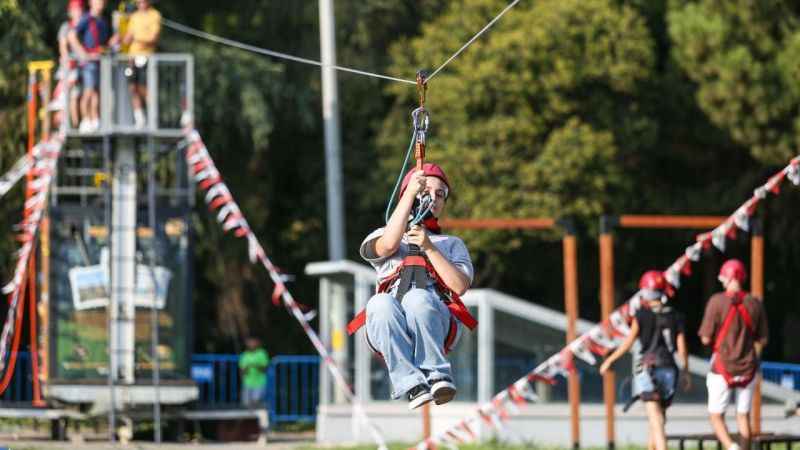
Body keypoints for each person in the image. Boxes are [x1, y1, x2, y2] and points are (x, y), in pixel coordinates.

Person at [350, 163, 476, 410]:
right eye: (426, 190)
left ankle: (437, 374)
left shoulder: (451, 244)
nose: (434, 197)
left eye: (441, 194)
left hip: (435, 319)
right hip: (389, 321)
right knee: (379, 302)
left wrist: (429, 246)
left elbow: (459, 286)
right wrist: (409, 196)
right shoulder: (384, 235)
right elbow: (386, 247)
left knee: (417, 298)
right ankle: (410, 384)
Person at [599, 270, 690, 450]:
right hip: (669, 370)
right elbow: (682, 348)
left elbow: (628, 342)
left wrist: (610, 360)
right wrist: (686, 372)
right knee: (658, 417)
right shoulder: (676, 316)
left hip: (647, 370)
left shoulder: (641, 315)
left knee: (654, 417)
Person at [699, 259, 768, 450]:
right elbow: (762, 340)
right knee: (743, 415)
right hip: (748, 368)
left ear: (727, 278)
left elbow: (705, 338)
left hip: (722, 367)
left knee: (715, 415)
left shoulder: (716, 301)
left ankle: (731, 447)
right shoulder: (755, 303)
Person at [68, 0, 110, 133]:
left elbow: (104, 43)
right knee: (88, 91)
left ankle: (95, 119)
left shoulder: (103, 21)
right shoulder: (86, 19)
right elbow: (72, 36)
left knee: (96, 93)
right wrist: (83, 54)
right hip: (88, 63)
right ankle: (85, 120)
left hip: (99, 62)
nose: (101, 3)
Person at [120, 0, 161, 128]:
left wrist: (137, 39)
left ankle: (153, 116)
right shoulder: (135, 16)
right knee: (133, 88)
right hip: (132, 58)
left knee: (144, 88)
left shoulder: (155, 15)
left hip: (146, 58)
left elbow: (153, 38)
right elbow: (127, 38)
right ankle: (140, 119)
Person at [56, 0, 84, 128]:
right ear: (70, 12)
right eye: (74, 10)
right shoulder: (66, 27)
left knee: (78, 98)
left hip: (83, 68)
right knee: (66, 98)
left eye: (79, 9)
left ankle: (77, 126)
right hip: (69, 69)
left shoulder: (84, 26)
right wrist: (68, 63)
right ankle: (66, 127)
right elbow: (63, 47)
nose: (77, 12)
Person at [239, 337, 270, 408]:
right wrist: (245, 369)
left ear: (257, 343)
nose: (251, 344)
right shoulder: (244, 355)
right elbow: (242, 370)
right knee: (246, 403)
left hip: (260, 383)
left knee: (256, 401)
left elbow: (265, 368)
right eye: (250, 342)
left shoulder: (262, 354)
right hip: (247, 383)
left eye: (253, 342)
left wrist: (255, 365)